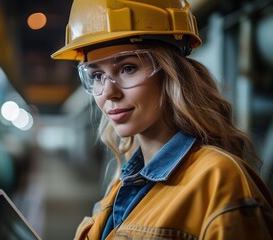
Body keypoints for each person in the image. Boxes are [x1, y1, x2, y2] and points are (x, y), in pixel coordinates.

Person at [51, 0, 273, 239]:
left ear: (171, 73)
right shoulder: (123, 184)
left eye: (127, 68)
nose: (108, 93)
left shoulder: (220, 181)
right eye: (96, 75)